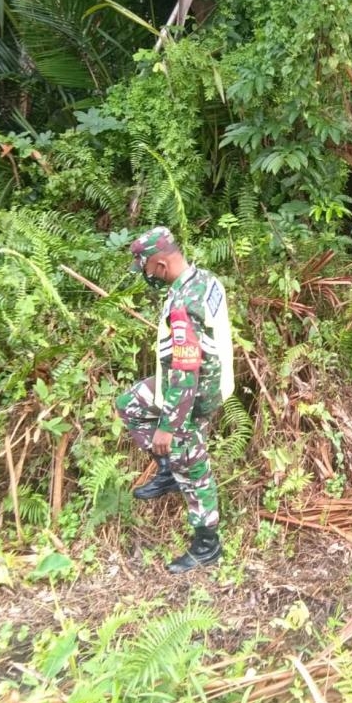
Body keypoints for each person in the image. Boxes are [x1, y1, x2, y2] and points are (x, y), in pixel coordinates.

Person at [116, 226, 234, 573]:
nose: (147, 276)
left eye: (148, 269)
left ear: (161, 263)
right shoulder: (204, 279)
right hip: (196, 381)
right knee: (130, 404)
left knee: (193, 466)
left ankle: (207, 544)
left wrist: (169, 425)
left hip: (191, 394)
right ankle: (166, 468)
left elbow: (186, 369)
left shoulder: (183, 303)